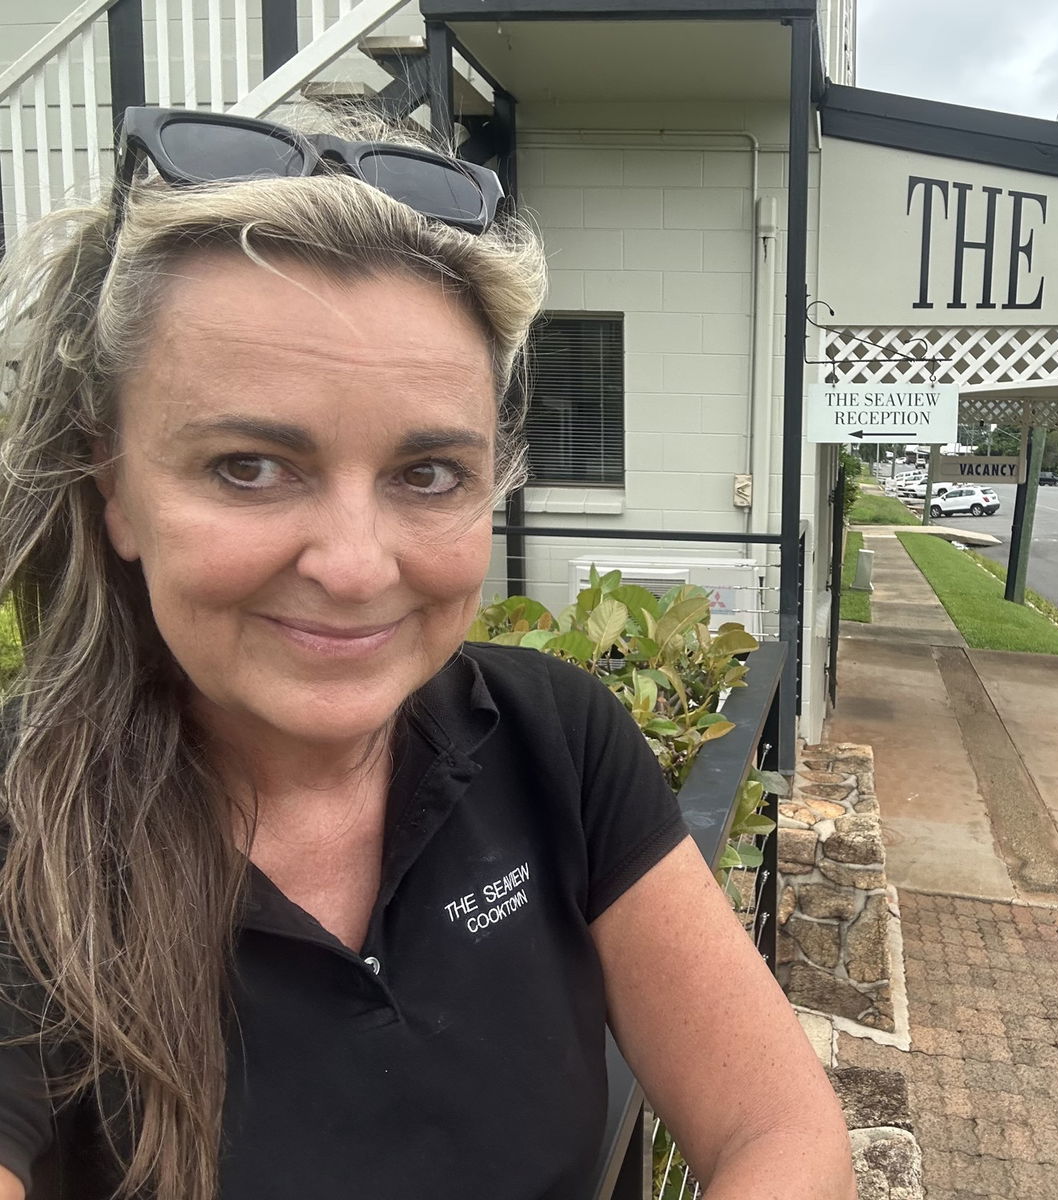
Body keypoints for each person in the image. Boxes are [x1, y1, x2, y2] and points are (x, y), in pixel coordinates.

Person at [0, 107, 854, 1200]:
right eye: (249, 466)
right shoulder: (28, 841)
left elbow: (779, 1127)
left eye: (428, 474)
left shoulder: (554, 742)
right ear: (114, 488)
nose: (356, 567)